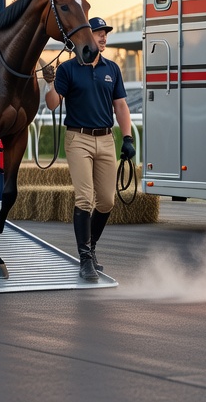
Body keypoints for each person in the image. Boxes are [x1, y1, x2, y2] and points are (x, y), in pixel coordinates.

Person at [42, 16, 135, 282]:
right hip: (78, 139)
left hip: (106, 139)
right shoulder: (68, 69)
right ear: (85, 37)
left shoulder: (112, 68)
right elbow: (52, 104)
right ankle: (84, 259)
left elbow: (120, 106)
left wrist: (127, 139)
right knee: (85, 199)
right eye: (98, 33)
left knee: (106, 201)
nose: (103, 37)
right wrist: (49, 83)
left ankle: (91, 249)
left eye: (105, 33)